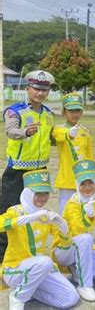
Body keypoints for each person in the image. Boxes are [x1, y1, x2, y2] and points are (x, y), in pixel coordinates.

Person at [0, 170, 79, 309]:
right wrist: (25, 219)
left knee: (71, 298)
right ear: (28, 193)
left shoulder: (46, 215)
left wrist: (63, 227)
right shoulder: (15, 211)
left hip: (40, 270)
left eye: (46, 193)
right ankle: (18, 296)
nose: (42, 198)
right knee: (44, 261)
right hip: (15, 269)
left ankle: (29, 291)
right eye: (38, 193)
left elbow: (64, 244)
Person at [1, 70, 55, 263]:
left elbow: (50, 138)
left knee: (34, 212)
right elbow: (11, 131)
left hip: (39, 171)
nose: (40, 93)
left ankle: (30, 250)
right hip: (17, 170)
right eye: (36, 89)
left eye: (44, 90)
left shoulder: (48, 114)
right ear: (28, 89)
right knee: (9, 211)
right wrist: (25, 131)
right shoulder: (15, 111)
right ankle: (3, 255)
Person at [56, 159, 95, 302]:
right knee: (86, 238)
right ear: (77, 185)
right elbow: (78, 232)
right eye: (83, 184)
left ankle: (77, 270)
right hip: (66, 248)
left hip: (84, 246)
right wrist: (88, 217)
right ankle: (85, 285)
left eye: (91, 182)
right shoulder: (73, 203)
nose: (87, 187)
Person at [52, 93, 93, 213]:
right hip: (67, 177)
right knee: (65, 210)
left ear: (81, 112)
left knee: (82, 209)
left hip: (83, 177)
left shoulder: (85, 132)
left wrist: (91, 176)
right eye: (71, 111)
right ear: (64, 112)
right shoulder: (59, 129)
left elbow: (89, 155)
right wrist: (68, 134)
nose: (74, 114)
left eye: (77, 111)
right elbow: (58, 137)